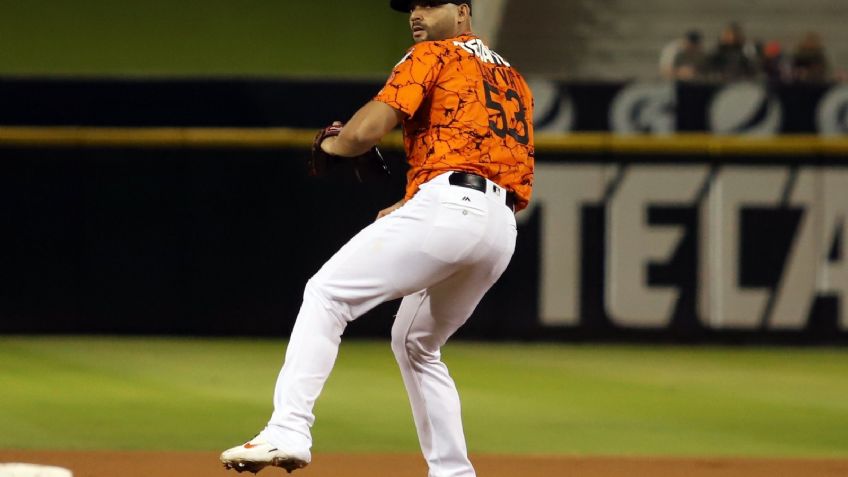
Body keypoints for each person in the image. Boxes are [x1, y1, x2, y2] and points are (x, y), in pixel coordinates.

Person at [220, 1, 535, 476]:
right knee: (417, 344)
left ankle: (288, 429)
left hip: (450, 208)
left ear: (464, 12)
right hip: (499, 226)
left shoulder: (432, 54)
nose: (416, 13)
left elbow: (363, 132)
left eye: (431, 3)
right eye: (411, 5)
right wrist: (420, 197)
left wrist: (333, 143)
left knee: (326, 294)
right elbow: (481, 151)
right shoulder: (514, 78)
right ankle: (454, 473)